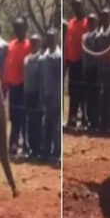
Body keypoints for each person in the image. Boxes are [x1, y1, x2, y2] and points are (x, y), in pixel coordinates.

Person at [4, 17, 31, 156]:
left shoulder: (30, 45)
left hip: (24, 87)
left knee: (25, 118)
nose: (18, 31)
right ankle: (13, 145)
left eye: (20, 28)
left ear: (26, 29)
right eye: (16, 28)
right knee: (14, 119)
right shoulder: (10, 45)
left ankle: (26, 146)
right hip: (13, 88)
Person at [64, 0, 89, 129]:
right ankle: (72, 119)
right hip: (72, 62)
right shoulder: (71, 23)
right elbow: (67, 44)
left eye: (79, 6)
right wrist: (66, 63)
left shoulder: (87, 23)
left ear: (83, 6)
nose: (76, 9)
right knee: (73, 92)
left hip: (83, 62)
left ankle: (85, 119)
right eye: (74, 6)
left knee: (83, 93)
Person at [96, 8, 110, 134]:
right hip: (102, 69)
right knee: (102, 97)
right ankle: (102, 124)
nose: (104, 19)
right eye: (103, 16)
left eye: (106, 16)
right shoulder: (99, 34)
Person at [42, 29, 62, 163]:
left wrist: (58, 98)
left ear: (56, 39)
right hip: (46, 94)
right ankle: (46, 152)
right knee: (46, 124)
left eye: (52, 38)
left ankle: (56, 153)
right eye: (48, 38)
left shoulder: (58, 56)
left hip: (55, 96)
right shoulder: (45, 54)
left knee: (56, 125)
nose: (49, 41)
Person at [23, 34, 43, 159]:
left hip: (38, 94)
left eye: (36, 42)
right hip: (28, 94)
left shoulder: (42, 58)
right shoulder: (26, 59)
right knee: (29, 123)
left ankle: (38, 149)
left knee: (38, 122)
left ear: (40, 44)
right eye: (32, 42)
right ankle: (30, 148)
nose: (33, 45)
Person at [82, 14, 100, 131]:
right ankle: (89, 120)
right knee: (88, 96)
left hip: (95, 68)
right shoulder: (84, 36)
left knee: (95, 96)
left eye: (93, 22)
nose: (91, 24)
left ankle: (96, 121)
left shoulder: (98, 35)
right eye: (89, 22)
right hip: (86, 68)